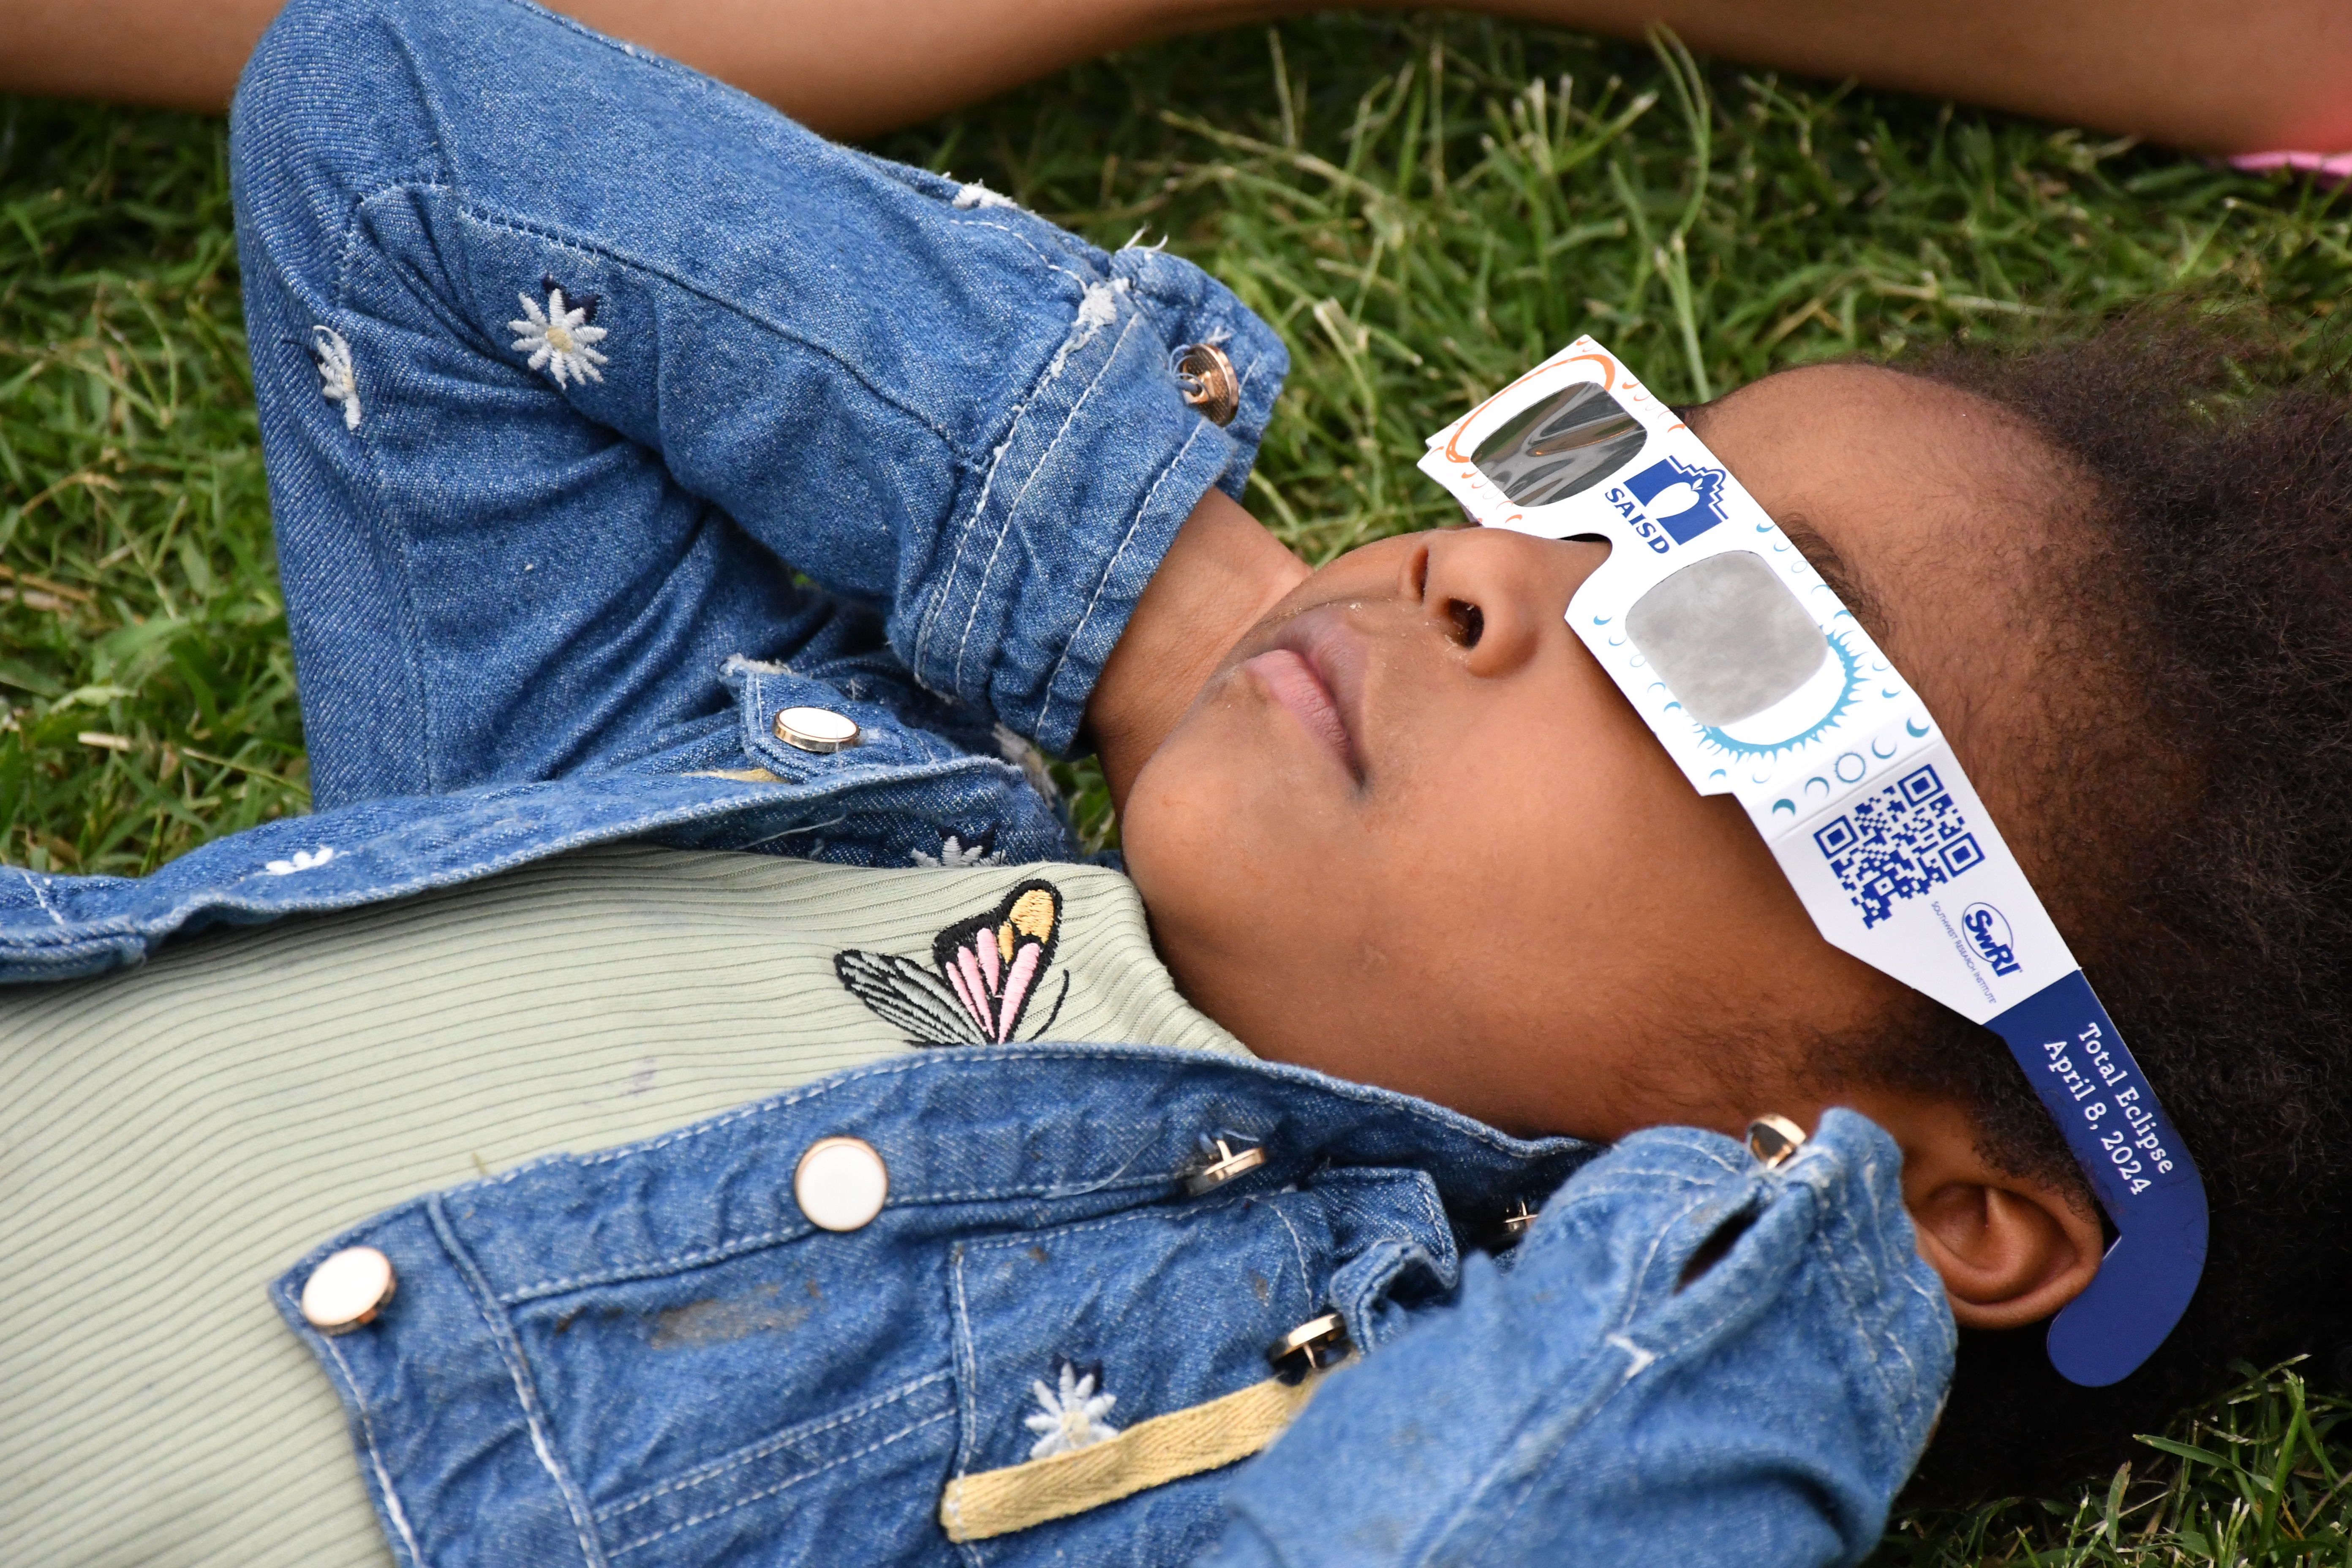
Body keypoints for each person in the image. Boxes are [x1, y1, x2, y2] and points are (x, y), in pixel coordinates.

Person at [3, 0, 2350, 1564]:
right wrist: (1129, 570)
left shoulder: (1269, 1441)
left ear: (1950, 1204)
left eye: (1729, 637)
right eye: (1599, 484)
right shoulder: (731, 801)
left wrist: (1789, 1255)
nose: (1474, 573)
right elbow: (398, 138)